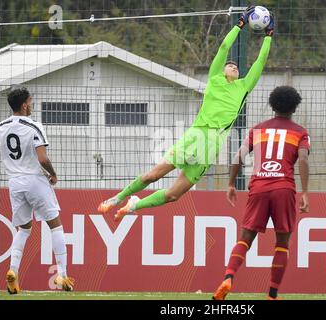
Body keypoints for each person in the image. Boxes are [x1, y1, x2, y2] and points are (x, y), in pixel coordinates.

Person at [97, 6, 275, 220]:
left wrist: (268, 36)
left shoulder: (244, 86)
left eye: (235, 66)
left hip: (211, 147)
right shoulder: (215, 79)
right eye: (229, 64)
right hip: (197, 135)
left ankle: (135, 205)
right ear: (222, 70)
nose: (233, 65)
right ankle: (117, 198)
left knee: (174, 195)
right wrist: (241, 24)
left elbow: (260, 61)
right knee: (153, 175)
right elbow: (225, 47)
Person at [212, 86, 310, 300]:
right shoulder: (300, 132)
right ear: (295, 107)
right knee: (282, 242)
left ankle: (228, 277)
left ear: (272, 105)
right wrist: (305, 192)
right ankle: (272, 294)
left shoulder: (258, 130)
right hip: (283, 188)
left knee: (245, 238)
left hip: (259, 186)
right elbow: (302, 159)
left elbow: (239, 155)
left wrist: (230, 183)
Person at [0, 87, 74, 294]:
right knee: (55, 225)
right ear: (24, 105)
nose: (31, 105)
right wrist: (53, 174)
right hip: (34, 180)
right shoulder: (34, 126)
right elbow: (42, 159)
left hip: (14, 183)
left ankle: (13, 272)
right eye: (31, 102)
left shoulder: (0, 127)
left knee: (23, 229)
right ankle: (63, 275)